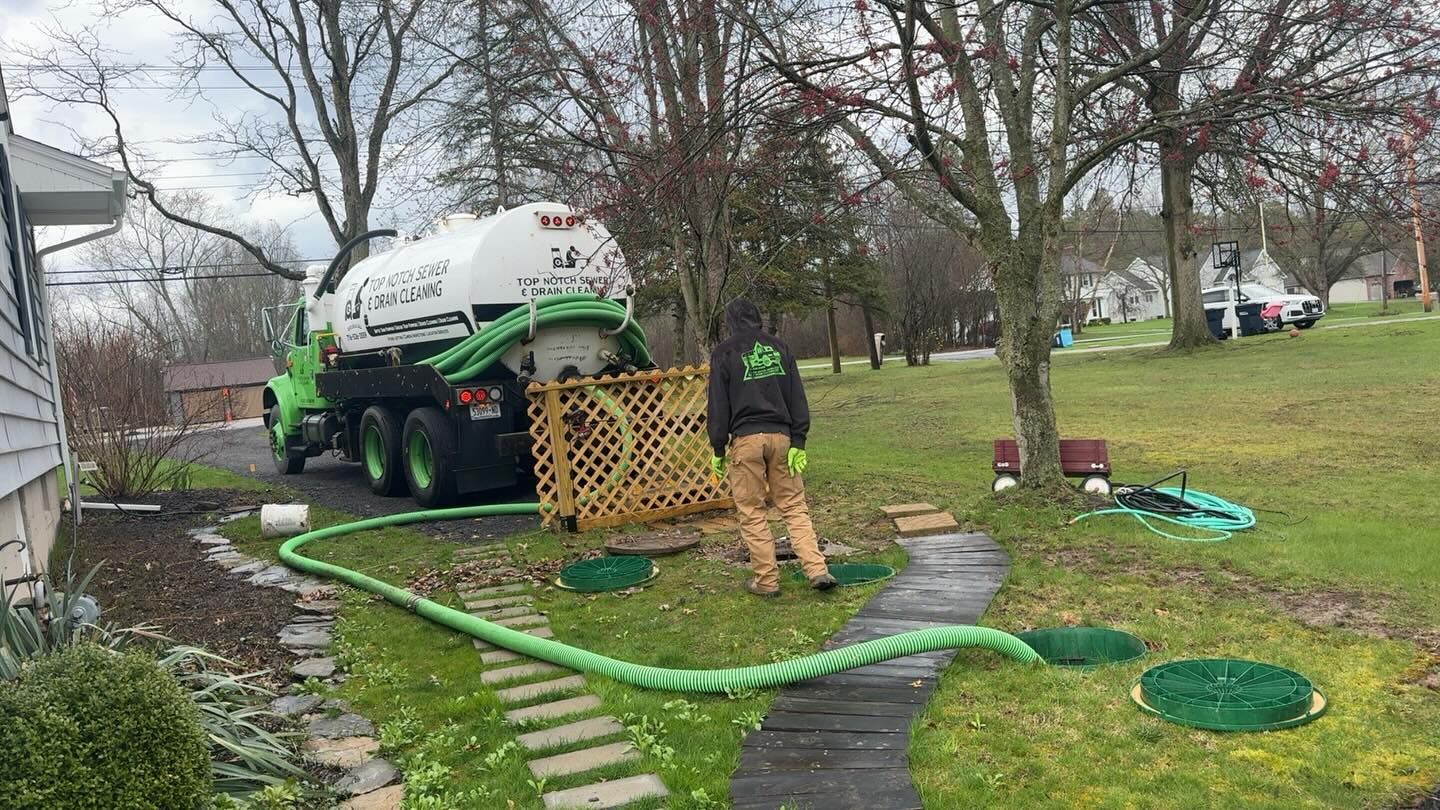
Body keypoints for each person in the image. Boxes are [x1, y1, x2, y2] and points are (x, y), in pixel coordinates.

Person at [707, 299, 836, 597]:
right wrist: (798, 441)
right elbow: (797, 396)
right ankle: (817, 570)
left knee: (752, 512)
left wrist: (718, 448)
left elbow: (718, 406)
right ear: (757, 318)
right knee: (793, 507)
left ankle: (766, 582)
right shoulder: (780, 348)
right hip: (782, 439)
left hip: (746, 442)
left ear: (730, 322)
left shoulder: (724, 353)